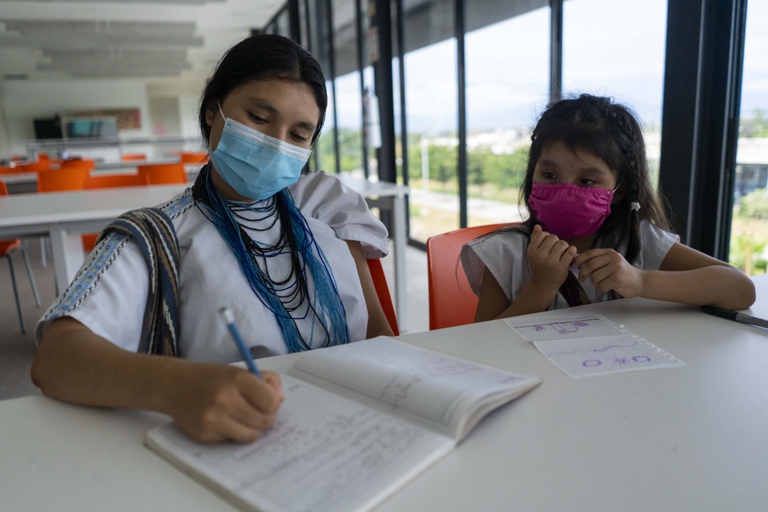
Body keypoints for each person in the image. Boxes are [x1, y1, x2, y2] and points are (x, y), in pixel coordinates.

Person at [31, 34, 394, 443]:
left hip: (356, 430)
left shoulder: (324, 209)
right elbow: (57, 357)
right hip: (245, 445)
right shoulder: (157, 237)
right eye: (259, 118)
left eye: (298, 135)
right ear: (212, 111)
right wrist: (176, 386)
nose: (276, 144)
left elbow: (379, 335)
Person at [462, 94, 755, 322]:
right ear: (532, 175)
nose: (565, 190)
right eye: (549, 175)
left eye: (587, 180)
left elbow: (740, 289)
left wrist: (641, 280)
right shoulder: (507, 253)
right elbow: (480, 344)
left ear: (619, 190)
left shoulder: (638, 241)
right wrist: (541, 286)